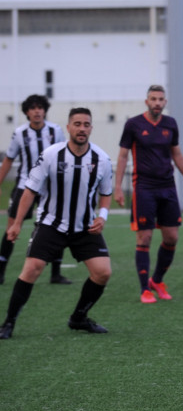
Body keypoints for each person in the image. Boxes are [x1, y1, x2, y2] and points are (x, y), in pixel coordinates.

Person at [0, 108, 113, 339]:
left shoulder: (101, 159)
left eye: (86, 124)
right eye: (77, 124)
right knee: (32, 269)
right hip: (52, 224)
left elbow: (106, 193)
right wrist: (16, 224)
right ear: (69, 127)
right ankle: (8, 323)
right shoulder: (51, 154)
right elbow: (30, 192)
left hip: (85, 226)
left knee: (102, 272)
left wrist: (102, 216)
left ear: (91, 128)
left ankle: (78, 318)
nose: (82, 129)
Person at [114, 84, 183, 304]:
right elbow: (123, 156)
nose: (157, 103)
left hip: (167, 187)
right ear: (147, 101)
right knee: (145, 237)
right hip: (143, 187)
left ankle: (157, 280)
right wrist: (117, 187)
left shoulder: (170, 124)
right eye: (153, 99)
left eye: (161, 99)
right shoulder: (133, 124)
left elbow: (177, 155)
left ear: (165, 102)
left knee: (172, 237)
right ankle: (145, 289)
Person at [0, 95, 71, 286]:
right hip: (25, 186)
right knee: (12, 226)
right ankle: (0, 272)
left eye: (40, 107)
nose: (37, 111)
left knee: (58, 226)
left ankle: (56, 273)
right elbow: (9, 159)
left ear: (45, 110)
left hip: (50, 187)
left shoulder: (55, 130)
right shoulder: (19, 133)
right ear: (26, 112)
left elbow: (64, 156)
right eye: (32, 108)